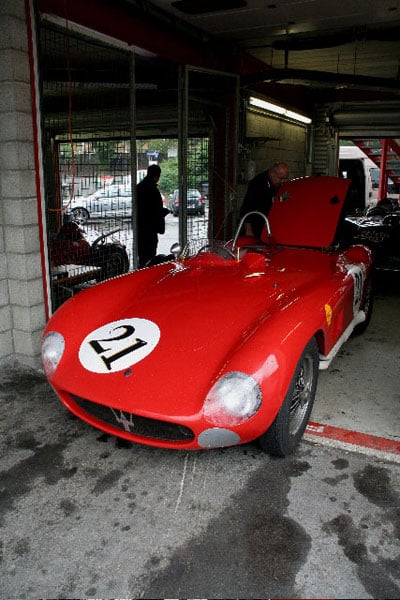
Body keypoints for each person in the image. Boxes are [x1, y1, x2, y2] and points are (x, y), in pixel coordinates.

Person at [239, 161, 289, 238]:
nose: (282, 182)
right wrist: (249, 230)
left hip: (268, 225)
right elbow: (246, 208)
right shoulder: (257, 184)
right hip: (256, 226)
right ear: (272, 174)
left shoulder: (275, 184)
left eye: (284, 179)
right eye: (281, 178)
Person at [136, 164, 169, 267]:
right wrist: (163, 212)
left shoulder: (140, 187)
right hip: (150, 229)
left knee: (142, 255)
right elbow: (153, 210)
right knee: (150, 255)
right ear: (157, 175)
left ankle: (142, 273)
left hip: (141, 227)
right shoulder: (152, 189)